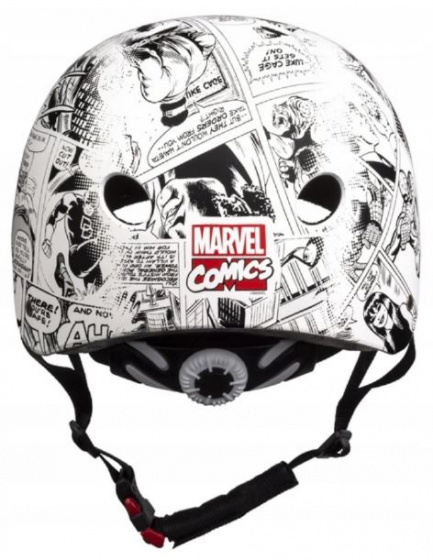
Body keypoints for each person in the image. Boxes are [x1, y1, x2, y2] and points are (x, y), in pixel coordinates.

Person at [42, 190, 105, 295]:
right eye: (88, 203)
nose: (90, 208)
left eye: (93, 206)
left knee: (97, 291)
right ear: (84, 200)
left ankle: (63, 276)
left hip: (90, 259)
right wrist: (47, 239)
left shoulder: (99, 216)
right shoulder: (72, 202)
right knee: (102, 243)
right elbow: (53, 217)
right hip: (76, 257)